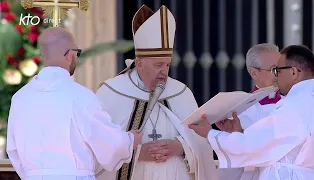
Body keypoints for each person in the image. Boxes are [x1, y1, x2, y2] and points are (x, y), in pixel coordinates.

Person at [94, 4, 218, 180]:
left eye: (167, 64)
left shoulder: (181, 92)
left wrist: (181, 147)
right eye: (158, 65)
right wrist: (133, 152)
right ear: (139, 63)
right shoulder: (112, 92)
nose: (164, 72)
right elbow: (98, 145)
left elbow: (203, 143)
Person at [6, 27, 142, 180]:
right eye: (77, 53)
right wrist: (130, 140)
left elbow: (13, 150)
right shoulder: (81, 96)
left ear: (43, 55)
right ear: (70, 55)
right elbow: (109, 143)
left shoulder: (20, 98)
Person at [189, 45, 314, 180]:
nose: (276, 76)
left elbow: (253, 146)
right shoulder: (313, 99)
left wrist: (211, 134)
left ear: (293, 72)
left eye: (277, 70)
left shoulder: (293, 106)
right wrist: (238, 133)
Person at [219, 43, 282, 180]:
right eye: (274, 69)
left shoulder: (292, 103)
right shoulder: (239, 110)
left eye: (281, 68)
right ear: (254, 72)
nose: (279, 74)